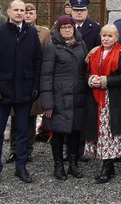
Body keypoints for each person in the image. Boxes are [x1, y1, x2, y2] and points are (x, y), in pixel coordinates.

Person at [0, 0, 43, 186]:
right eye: (15, 9)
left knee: (23, 131)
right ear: (8, 12)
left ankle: (21, 166)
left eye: (22, 10)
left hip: (24, 91)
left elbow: (37, 62)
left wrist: (35, 86)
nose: (19, 13)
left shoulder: (31, 33)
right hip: (2, 91)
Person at [40, 15, 88, 181]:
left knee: (75, 131)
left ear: (74, 28)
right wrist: (47, 102)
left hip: (78, 96)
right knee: (59, 133)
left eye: (69, 27)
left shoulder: (82, 45)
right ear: (58, 30)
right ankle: (58, 165)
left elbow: (86, 69)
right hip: (59, 97)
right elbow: (46, 75)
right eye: (63, 27)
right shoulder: (52, 47)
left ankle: (73, 164)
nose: (67, 30)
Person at [83, 24, 121, 184]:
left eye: (110, 36)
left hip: (112, 100)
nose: (106, 38)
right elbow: (86, 72)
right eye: (104, 35)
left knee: (108, 132)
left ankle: (107, 165)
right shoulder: (94, 53)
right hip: (95, 100)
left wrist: (105, 81)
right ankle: (108, 166)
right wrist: (91, 80)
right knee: (99, 131)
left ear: (116, 38)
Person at [6, 3, 51, 164]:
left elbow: (45, 58)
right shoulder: (11, 30)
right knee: (14, 117)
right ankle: (13, 149)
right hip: (14, 81)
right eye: (25, 12)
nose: (27, 15)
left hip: (33, 81)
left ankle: (27, 149)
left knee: (30, 118)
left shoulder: (44, 33)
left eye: (31, 13)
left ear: (35, 15)